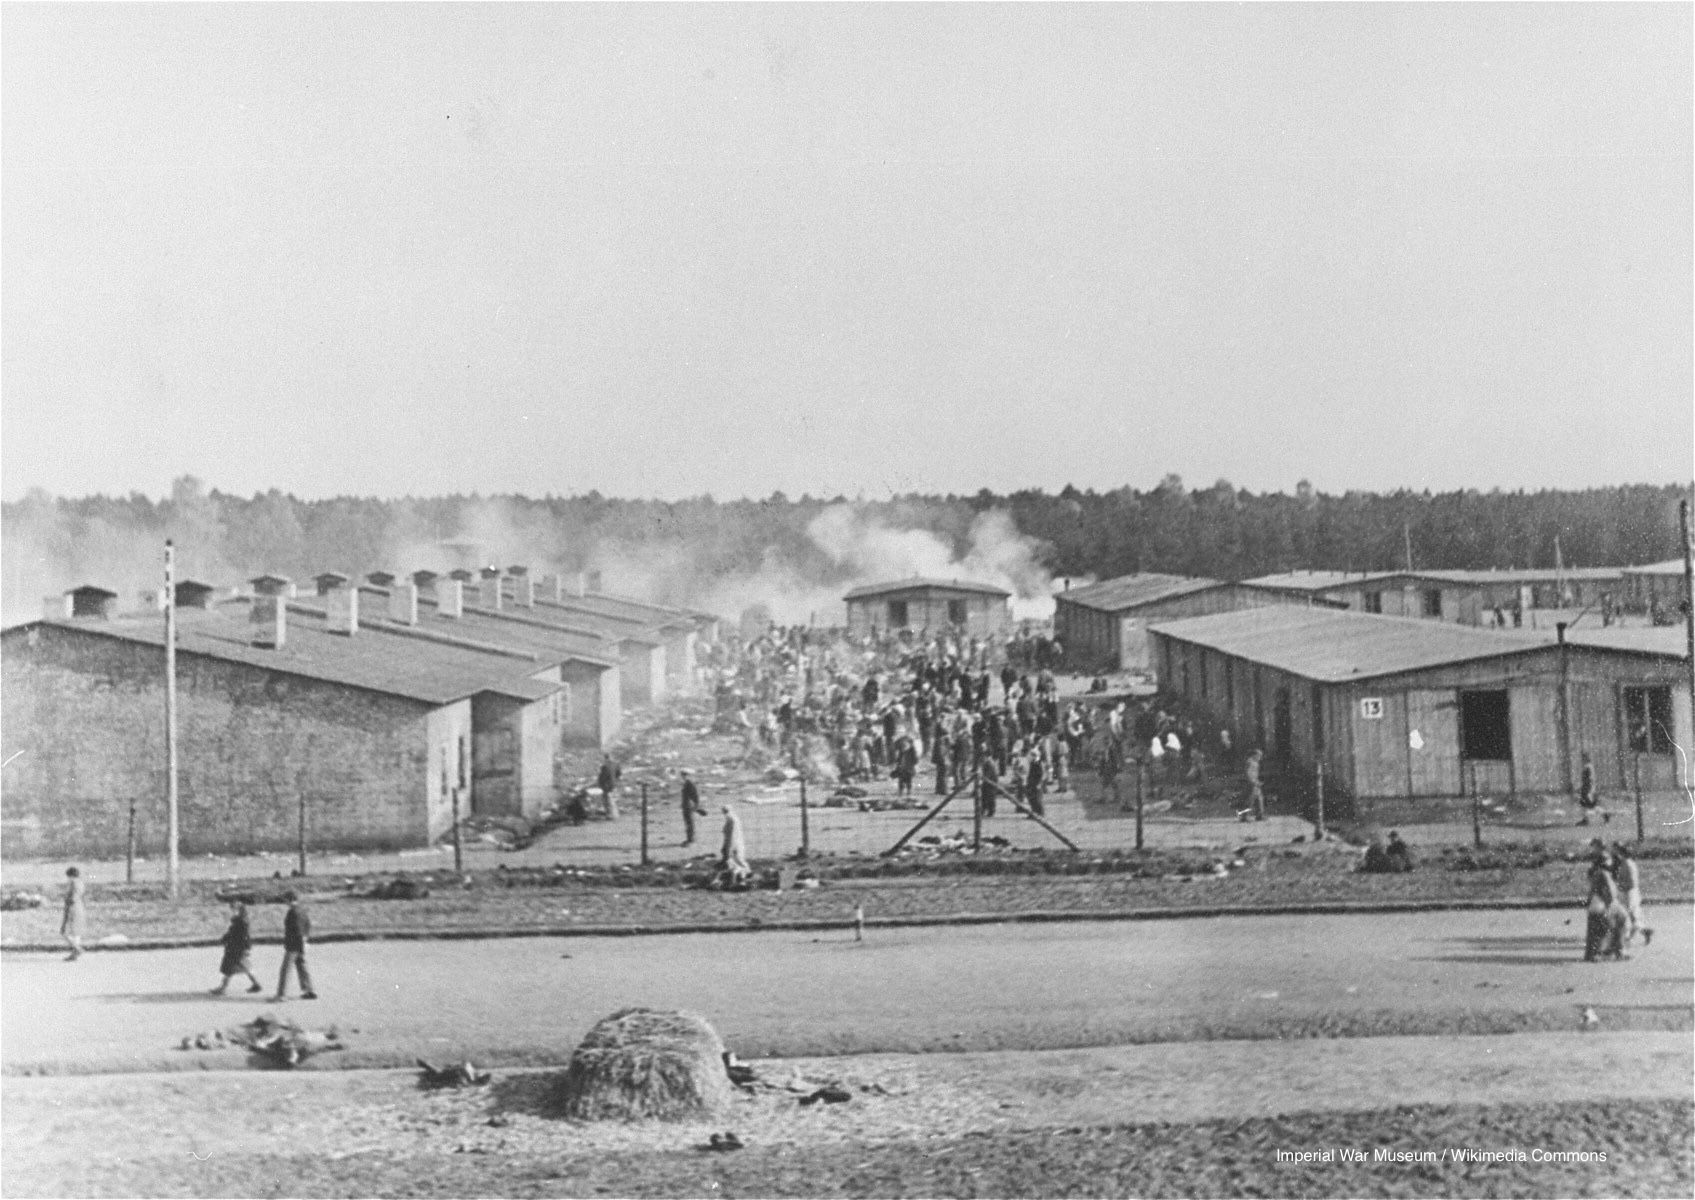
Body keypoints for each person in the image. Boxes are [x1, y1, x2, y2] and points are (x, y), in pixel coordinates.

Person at [272, 891, 317, 1001]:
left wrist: (301, 942)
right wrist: (305, 941)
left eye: (286, 900)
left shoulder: (293, 912)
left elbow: (297, 930)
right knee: (302, 966)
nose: (285, 903)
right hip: (300, 943)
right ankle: (309, 990)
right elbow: (307, 925)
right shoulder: (301, 910)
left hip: (293, 944)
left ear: (290, 900)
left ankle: (282, 994)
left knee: (286, 969)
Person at [1583, 852, 1628, 962]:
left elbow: (1591, 891)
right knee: (1619, 921)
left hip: (1595, 903)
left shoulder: (1595, 872)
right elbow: (1611, 892)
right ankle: (1616, 951)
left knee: (1595, 930)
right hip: (1603, 904)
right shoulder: (1604, 873)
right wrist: (1611, 906)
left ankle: (1593, 954)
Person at [211, 901, 264, 994]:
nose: (232, 911)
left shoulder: (242, 922)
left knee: (229, 968)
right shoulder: (238, 920)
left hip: (237, 948)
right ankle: (256, 984)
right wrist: (224, 939)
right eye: (232, 909)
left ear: (240, 910)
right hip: (234, 947)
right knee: (244, 967)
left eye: (234, 909)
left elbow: (245, 936)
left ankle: (223, 988)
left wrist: (247, 948)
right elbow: (231, 933)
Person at [1612, 843, 1652, 947]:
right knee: (1631, 917)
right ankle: (1638, 934)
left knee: (1629, 916)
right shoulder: (1627, 863)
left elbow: (1632, 882)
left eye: (1618, 852)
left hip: (1629, 894)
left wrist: (1619, 884)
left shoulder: (1627, 864)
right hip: (1629, 893)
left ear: (1622, 853)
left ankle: (1630, 937)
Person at [719, 805, 751, 888]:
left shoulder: (732, 820)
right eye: (724, 811)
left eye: (725, 811)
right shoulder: (731, 819)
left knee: (738, 860)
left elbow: (732, 835)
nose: (725, 813)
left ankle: (743, 877)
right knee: (736, 861)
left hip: (735, 844)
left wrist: (729, 847)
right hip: (734, 843)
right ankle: (741, 876)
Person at [60, 866, 86, 961]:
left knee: (65, 932)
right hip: (80, 908)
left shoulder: (73, 883)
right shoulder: (81, 883)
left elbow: (72, 897)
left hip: (72, 908)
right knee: (76, 933)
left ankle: (77, 949)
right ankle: (74, 954)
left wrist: (66, 900)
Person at [1576, 752, 1606, 825]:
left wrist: (1589, 789)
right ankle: (1586, 819)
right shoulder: (1587, 766)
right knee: (1584, 804)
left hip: (1587, 789)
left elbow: (1590, 779)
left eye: (1583, 758)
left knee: (1590, 805)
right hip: (1586, 788)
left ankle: (1604, 815)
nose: (1582, 760)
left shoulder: (1588, 767)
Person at [680, 771, 706, 846]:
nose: (684, 777)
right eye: (683, 775)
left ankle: (691, 840)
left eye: (685, 775)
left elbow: (695, 795)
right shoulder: (686, 784)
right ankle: (689, 839)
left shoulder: (689, 784)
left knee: (689, 823)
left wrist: (696, 805)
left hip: (688, 805)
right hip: (686, 805)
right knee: (688, 823)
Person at [597, 756, 622, 820]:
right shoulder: (616, 764)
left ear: (605, 758)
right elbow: (619, 773)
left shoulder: (604, 766)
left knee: (607, 800)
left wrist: (600, 783)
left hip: (606, 785)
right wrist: (615, 780)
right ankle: (615, 814)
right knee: (612, 799)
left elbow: (603, 777)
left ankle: (610, 815)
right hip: (613, 784)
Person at [1244, 750, 1266, 822]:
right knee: (1250, 800)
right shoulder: (1250, 762)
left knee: (1259, 800)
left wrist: (1257, 782)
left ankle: (1260, 815)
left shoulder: (1255, 762)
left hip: (1255, 783)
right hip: (1251, 784)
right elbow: (1248, 773)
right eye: (1259, 755)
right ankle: (1244, 817)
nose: (1260, 757)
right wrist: (1253, 782)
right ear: (1254, 755)